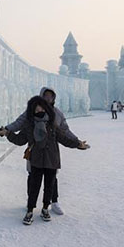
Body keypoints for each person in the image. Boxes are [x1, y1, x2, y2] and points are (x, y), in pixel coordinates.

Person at [0, 96, 89, 225]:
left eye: (41, 106)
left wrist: (77, 144)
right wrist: (7, 133)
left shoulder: (52, 124)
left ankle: (45, 209)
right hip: (36, 160)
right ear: (32, 109)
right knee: (34, 186)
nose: (38, 108)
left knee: (49, 187)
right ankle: (29, 211)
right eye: (35, 106)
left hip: (52, 160)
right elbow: (19, 140)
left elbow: (64, 138)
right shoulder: (29, 125)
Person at [37, 87, 77, 215]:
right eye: (46, 95)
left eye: (51, 96)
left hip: (51, 150)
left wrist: (77, 141)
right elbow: (21, 123)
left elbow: (65, 130)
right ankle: (30, 203)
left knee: (52, 177)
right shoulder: (33, 110)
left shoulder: (57, 113)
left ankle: (54, 202)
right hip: (36, 150)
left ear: (53, 98)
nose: (48, 98)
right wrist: (8, 129)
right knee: (33, 177)